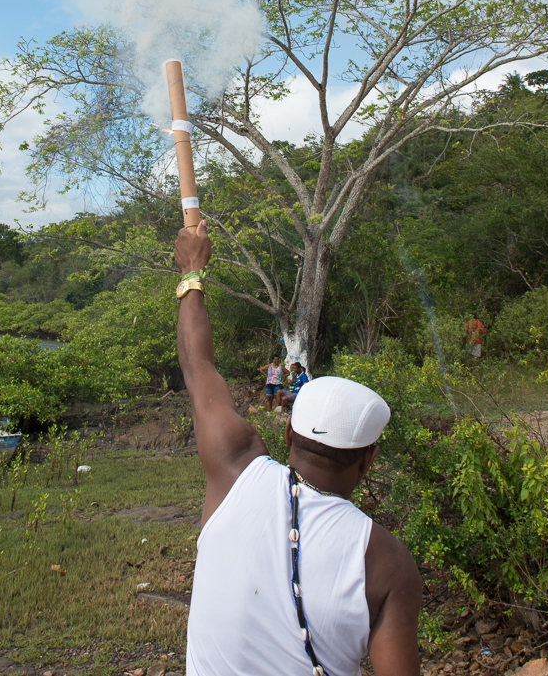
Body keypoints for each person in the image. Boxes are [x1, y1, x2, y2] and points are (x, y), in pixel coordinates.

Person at [174, 221, 422, 676]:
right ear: (369, 459)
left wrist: (193, 271)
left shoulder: (235, 471)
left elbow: (198, 368)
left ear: (287, 432)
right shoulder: (386, 562)